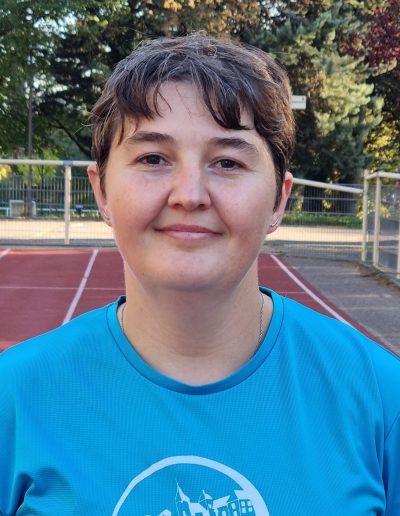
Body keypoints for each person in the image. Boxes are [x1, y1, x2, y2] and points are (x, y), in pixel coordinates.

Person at [0, 33, 399, 516]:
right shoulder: (15, 398)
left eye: (227, 162)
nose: (189, 194)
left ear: (279, 199)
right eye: (153, 158)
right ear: (101, 191)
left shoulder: (381, 398)